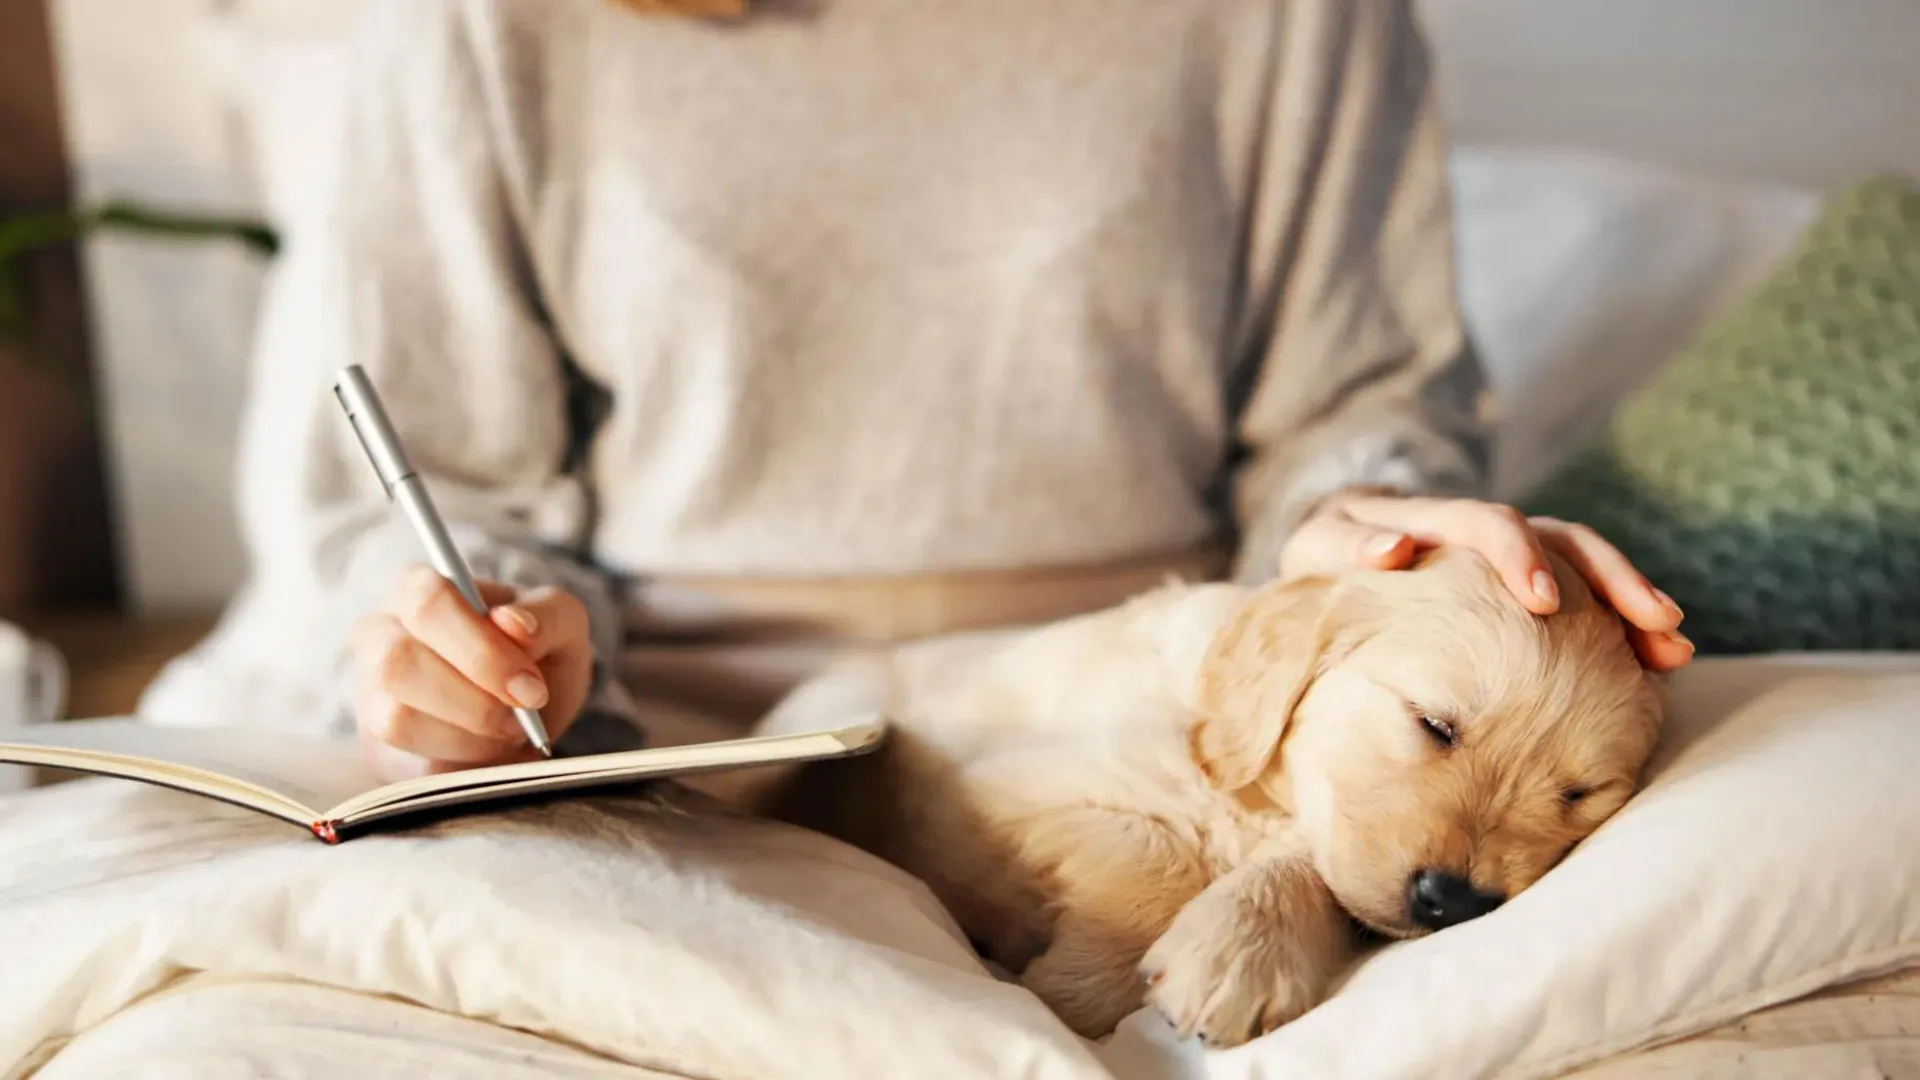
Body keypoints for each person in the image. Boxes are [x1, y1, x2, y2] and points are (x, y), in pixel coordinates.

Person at [141, 0, 1690, 782]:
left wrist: (1367, 537)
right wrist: (487, 665)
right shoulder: (490, 21)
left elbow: (1355, 412)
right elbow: (449, 487)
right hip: (652, 750)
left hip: (1126, 729)